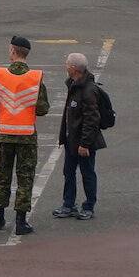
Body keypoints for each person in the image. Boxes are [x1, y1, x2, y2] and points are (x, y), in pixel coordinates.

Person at [0, 35, 50, 234]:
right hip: (26, 136)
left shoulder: (0, 75)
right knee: (25, 177)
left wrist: (6, 112)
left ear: (13, 51)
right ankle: (21, 221)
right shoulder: (35, 78)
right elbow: (42, 108)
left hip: (4, 133)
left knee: (2, 175)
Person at [51, 52, 106, 220]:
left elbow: (92, 120)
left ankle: (89, 206)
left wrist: (85, 144)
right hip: (71, 141)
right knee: (68, 172)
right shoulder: (74, 85)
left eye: (67, 64)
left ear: (74, 68)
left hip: (83, 143)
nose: (65, 66)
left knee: (87, 173)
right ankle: (69, 204)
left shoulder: (88, 91)